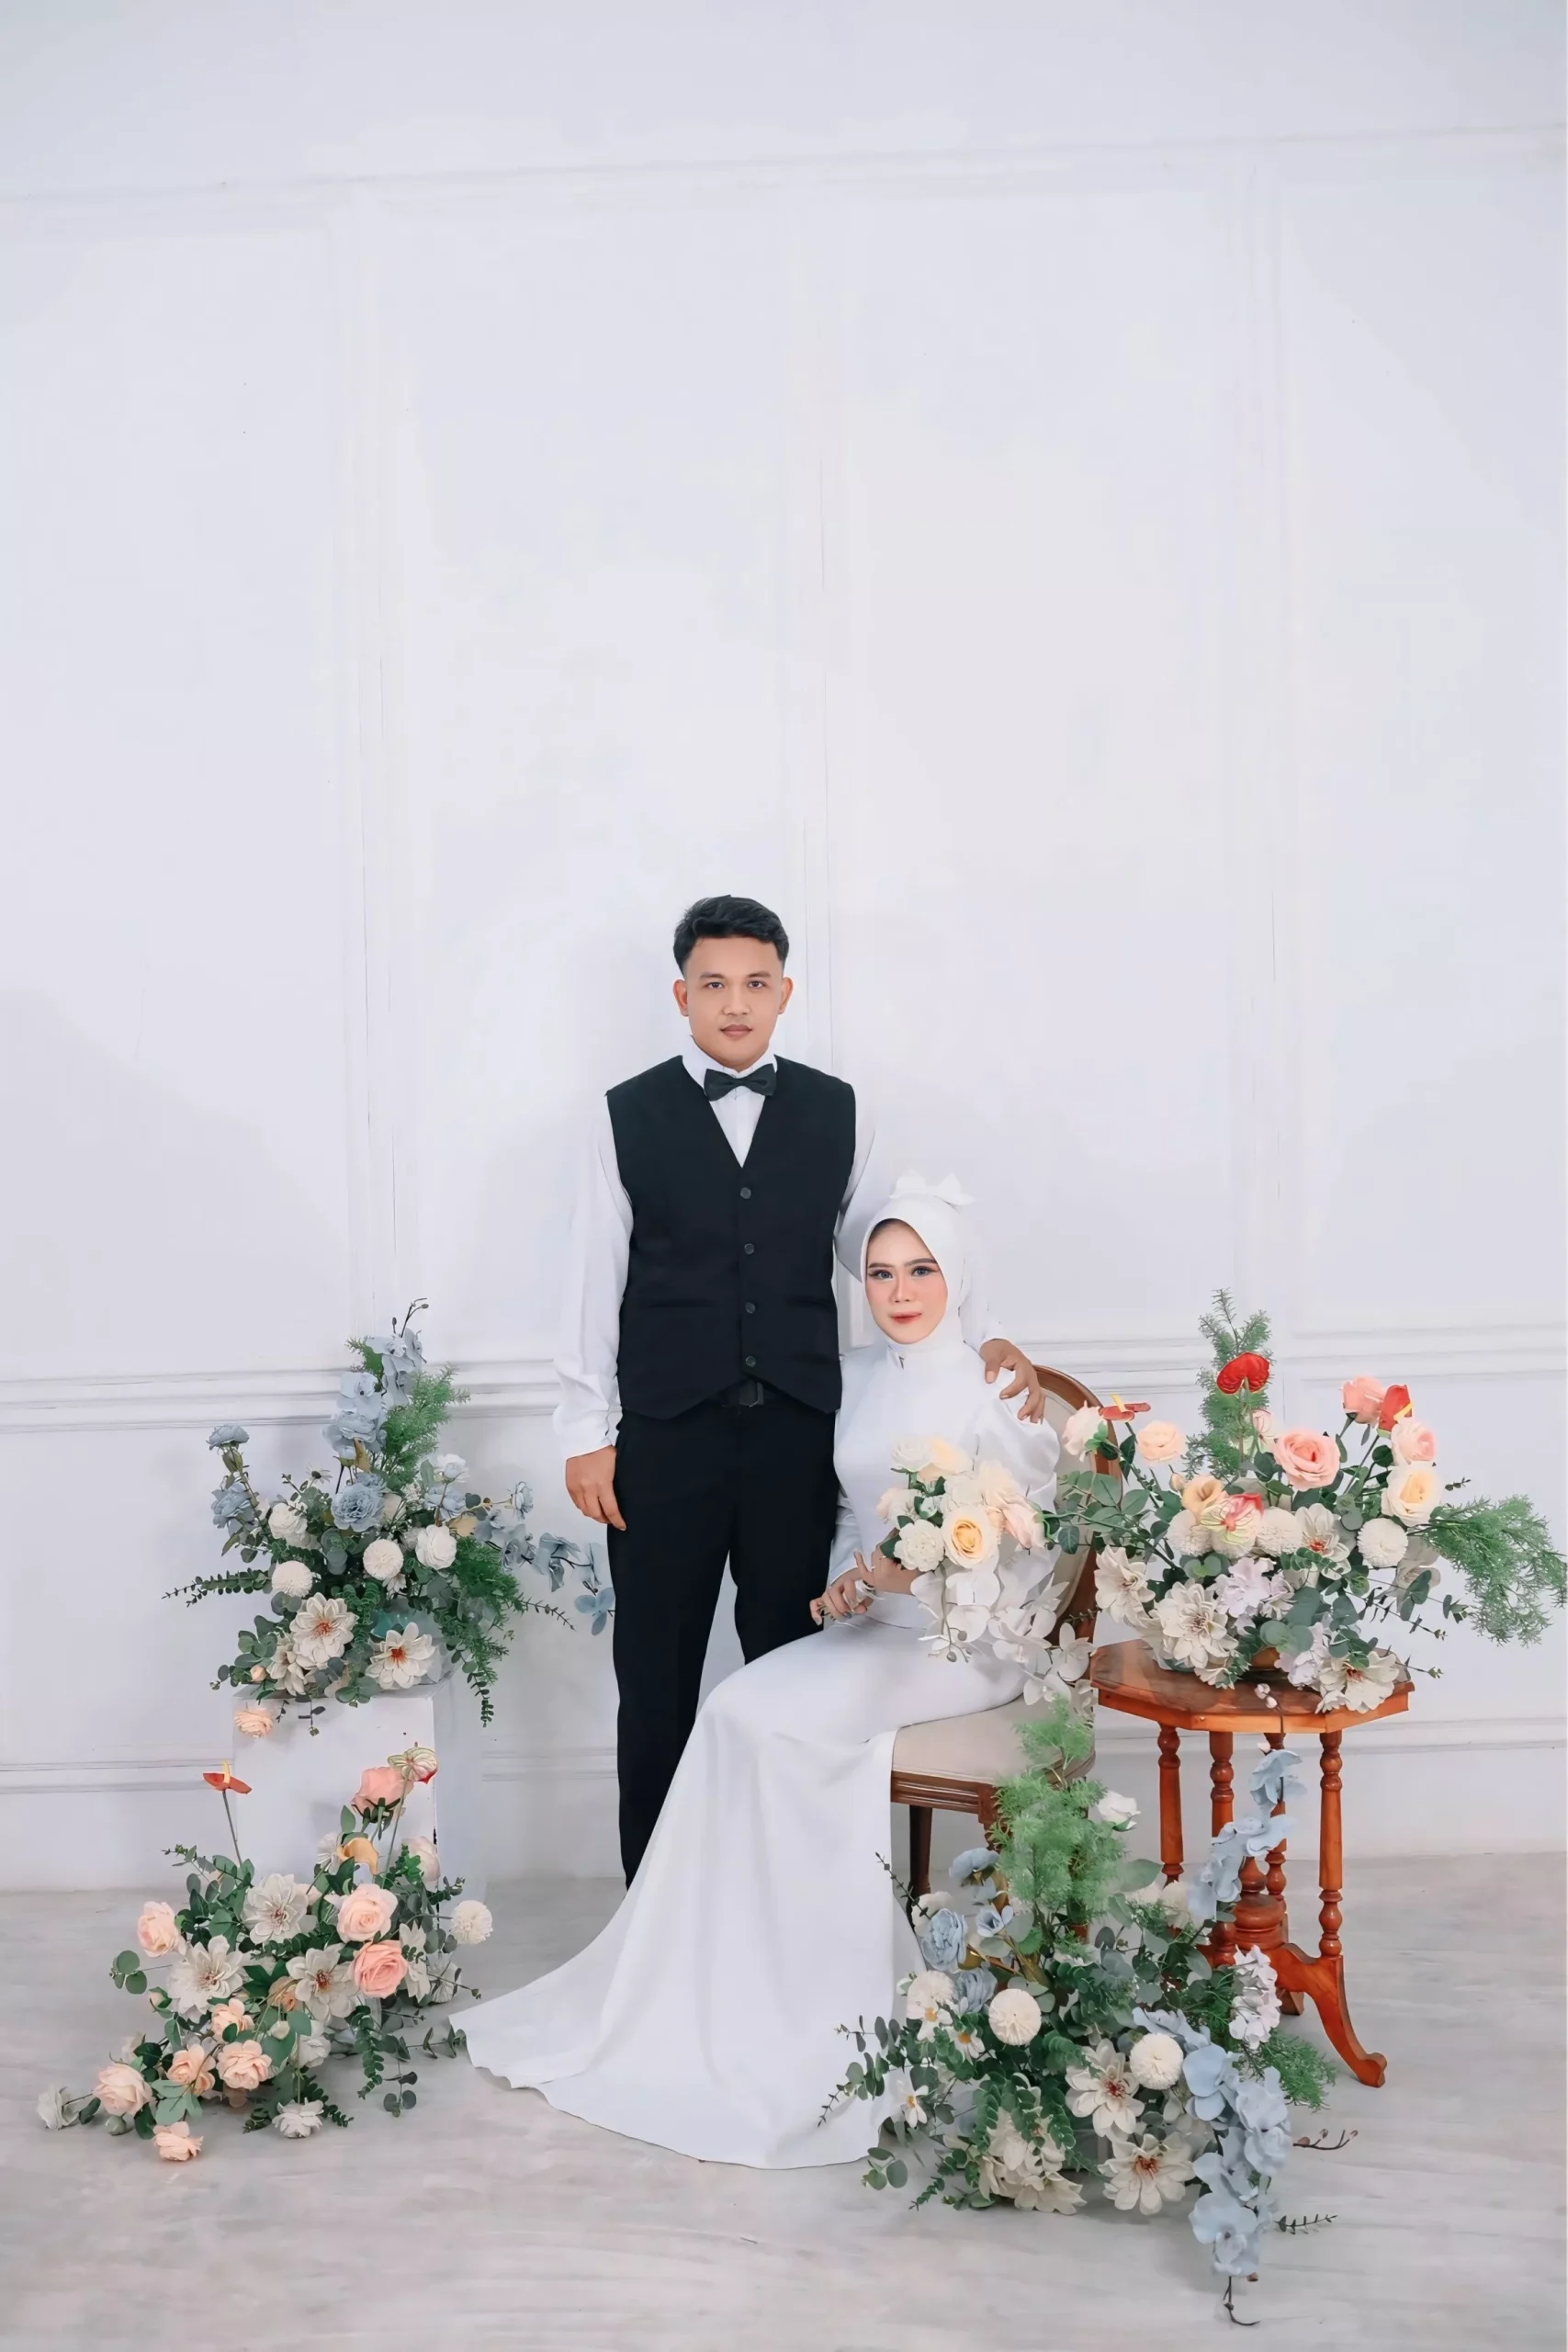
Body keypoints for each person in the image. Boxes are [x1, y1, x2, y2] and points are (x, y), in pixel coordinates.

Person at [466, 1176, 1065, 2167]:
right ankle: (725, 1984)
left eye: (921, 1270)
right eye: (880, 1271)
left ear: (958, 1276)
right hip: (878, 1627)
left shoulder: (995, 1389)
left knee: (783, 1727)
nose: (900, 1291)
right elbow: (845, 1514)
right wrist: (849, 1582)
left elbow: (1026, 1542)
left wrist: (921, 1572)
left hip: (963, 1642)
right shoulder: (855, 1376)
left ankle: (833, 2006)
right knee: (736, 1708)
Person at [555, 893, 1045, 1880]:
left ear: (785, 992)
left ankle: (784, 1892)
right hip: (663, 1440)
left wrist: (985, 1328)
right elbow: (591, 1278)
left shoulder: (837, 1112)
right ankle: (656, 1900)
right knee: (655, 1679)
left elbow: (894, 1249)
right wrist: (584, 1430)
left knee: (793, 1664)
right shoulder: (624, 1116)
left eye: (756, 983)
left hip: (795, 1438)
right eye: (713, 984)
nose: (735, 1003)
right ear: (682, 996)